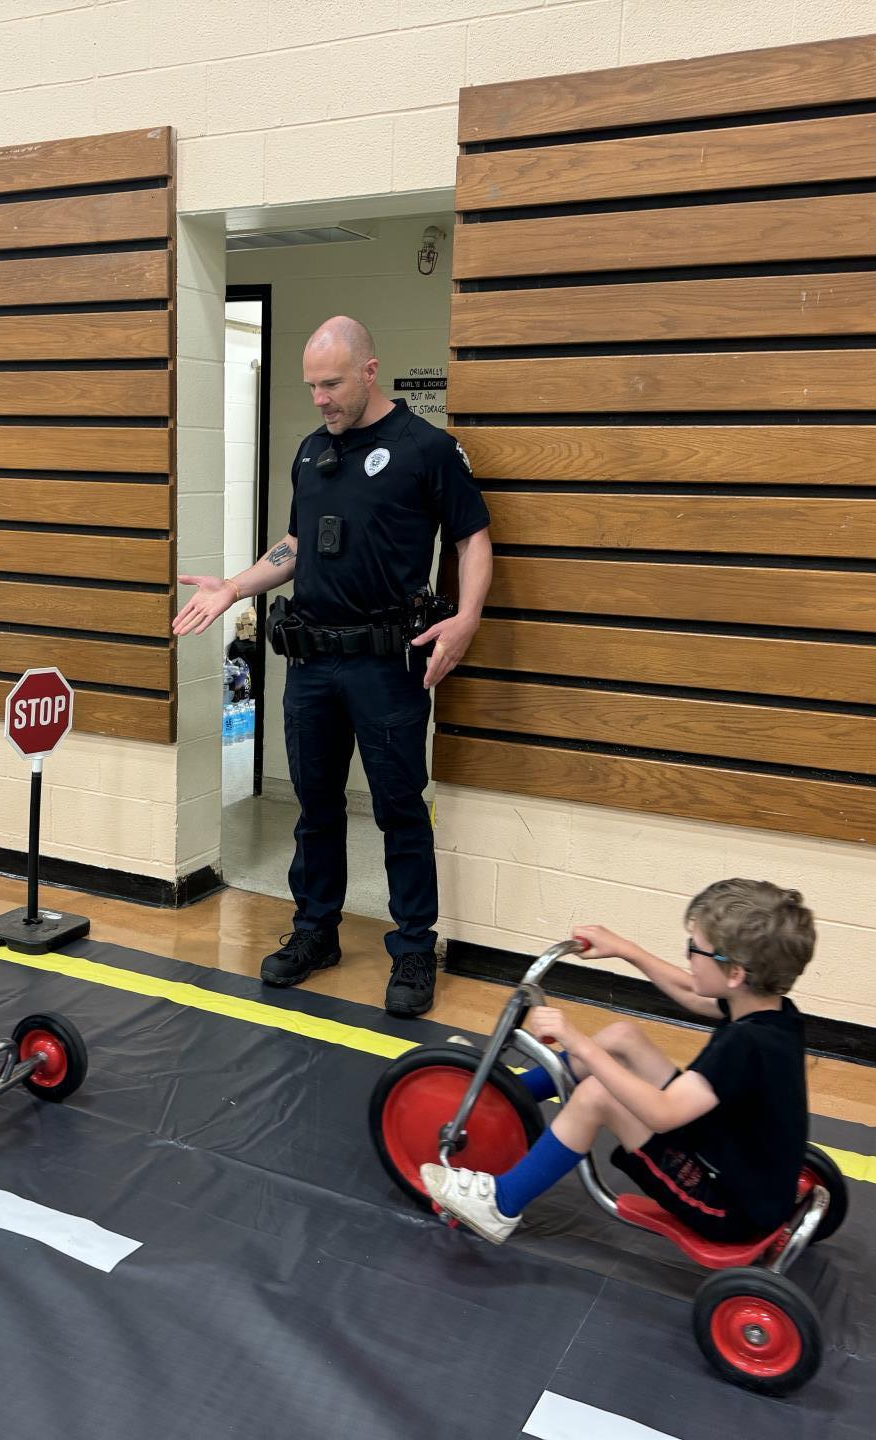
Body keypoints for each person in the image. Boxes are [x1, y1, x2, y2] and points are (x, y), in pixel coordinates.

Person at [174, 317, 492, 1018]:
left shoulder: (426, 450)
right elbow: (295, 545)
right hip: (313, 664)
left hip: (388, 667)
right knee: (314, 810)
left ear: (370, 370)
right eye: (312, 385)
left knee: (399, 810)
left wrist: (466, 618)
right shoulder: (312, 452)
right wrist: (233, 585)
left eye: (333, 384)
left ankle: (413, 947)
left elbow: (472, 538)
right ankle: (316, 931)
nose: (321, 398)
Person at [423, 879, 816, 1245]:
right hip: (737, 1161)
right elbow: (692, 991)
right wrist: (624, 949)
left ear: (734, 973)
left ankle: (499, 1205)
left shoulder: (744, 1045)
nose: (689, 957)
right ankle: (507, 1093)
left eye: (694, 949)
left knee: (596, 1095)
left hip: (724, 1206)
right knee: (620, 1038)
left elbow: (662, 1114)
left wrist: (576, 1040)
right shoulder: (773, 1012)